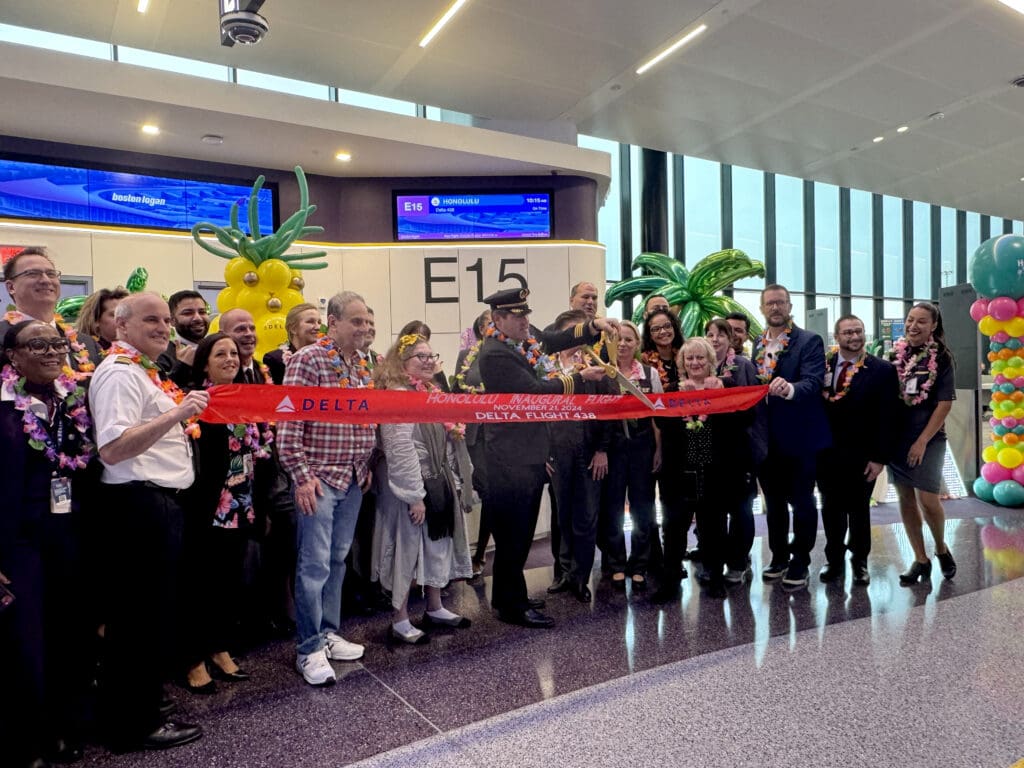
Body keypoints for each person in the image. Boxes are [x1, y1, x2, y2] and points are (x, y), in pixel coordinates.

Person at [89, 292, 208, 751]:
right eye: (151, 319)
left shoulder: (145, 372)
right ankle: (132, 726)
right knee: (138, 621)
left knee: (148, 617)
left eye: (164, 320)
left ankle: (142, 707)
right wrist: (179, 413)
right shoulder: (120, 375)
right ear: (121, 327)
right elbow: (114, 448)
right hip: (139, 506)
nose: (163, 326)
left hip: (156, 505)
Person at [477, 287, 614, 628]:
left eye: (526, 313)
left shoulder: (521, 339)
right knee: (514, 534)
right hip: (510, 458)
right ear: (498, 319)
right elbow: (534, 392)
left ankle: (511, 596)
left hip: (528, 453)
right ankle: (512, 606)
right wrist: (578, 379)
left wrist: (593, 326)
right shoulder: (495, 354)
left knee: (520, 534)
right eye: (518, 315)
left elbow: (554, 339)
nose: (527, 321)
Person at [0, 320, 97, 767]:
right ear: (12, 356)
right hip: (19, 539)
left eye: (57, 343)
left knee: (68, 633)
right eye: (37, 344)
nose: (52, 351)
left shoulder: (73, 400)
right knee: (26, 640)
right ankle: (27, 739)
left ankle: (64, 727)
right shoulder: (4, 406)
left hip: (69, 532)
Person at [277, 290, 375, 686]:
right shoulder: (308, 360)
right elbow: (288, 425)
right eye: (356, 321)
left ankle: (330, 632)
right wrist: (301, 477)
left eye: (367, 322)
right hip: (319, 479)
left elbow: (367, 418)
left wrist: (364, 463)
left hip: (352, 478)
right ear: (332, 324)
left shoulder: (362, 365)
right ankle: (309, 648)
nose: (364, 328)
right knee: (313, 565)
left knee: (337, 561)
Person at [373, 334, 474, 643]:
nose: (429, 361)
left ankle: (434, 606)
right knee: (406, 550)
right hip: (408, 487)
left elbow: (447, 441)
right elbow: (398, 447)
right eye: (421, 356)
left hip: (437, 480)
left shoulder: (432, 392)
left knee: (437, 544)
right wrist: (413, 495)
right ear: (402, 364)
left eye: (431, 355)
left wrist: (453, 481)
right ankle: (400, 618)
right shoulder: (398, 395)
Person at [179, 333, 264, 694]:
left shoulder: (247, 397)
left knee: (230, 581)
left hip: (241, 502)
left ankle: (219, 647)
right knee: (200, 584)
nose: (230, 358)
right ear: (204, 361)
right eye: (220, 353)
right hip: (207, 505)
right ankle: (192, 658)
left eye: (233, 353)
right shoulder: (195, 401)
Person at [653, 338, 755, 600]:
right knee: (674, 528)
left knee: (714, 529)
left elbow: (746, 418)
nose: (695, 363)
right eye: (689, 359)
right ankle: (670, 580)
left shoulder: (727, 385)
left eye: (700, 358)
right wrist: (682, 402)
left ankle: (716, 578)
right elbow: (660, 423)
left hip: (716, 471)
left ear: (710, 361)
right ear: (682, 363)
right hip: (679, 472)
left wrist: (720, 395)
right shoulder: (673, 390)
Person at [754, 285, 831, 589]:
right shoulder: (758, 345)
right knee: (772, 502)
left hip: (800, 437)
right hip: (767, 439)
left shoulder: (808, 341)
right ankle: (779, 556)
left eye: (780, 302)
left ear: (789, 306)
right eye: (770, 303)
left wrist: (791, 389)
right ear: (762, 308)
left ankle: (801, 560)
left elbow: (813, 382)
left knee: (802, 501)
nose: (775, 308)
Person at [818, 315, 898, 586]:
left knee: (858, 509)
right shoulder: (823, 366)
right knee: (830, 509)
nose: (854, 336)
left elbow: (888, 417)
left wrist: (879, 458)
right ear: (836, 337)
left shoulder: (882, 370)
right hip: (826, 453)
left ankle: (860, 560)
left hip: (863, 455)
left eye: (858, 331)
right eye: (848, 332)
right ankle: (834, 560)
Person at [547, 310, 614, 603]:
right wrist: (543, 454)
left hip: (589, 451)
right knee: (562, 516)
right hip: (556, 453)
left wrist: (602, 450)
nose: (581, 338)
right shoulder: (544, 368)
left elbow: (609, 410)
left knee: (585, 517)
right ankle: (562, 572)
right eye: (574, 332)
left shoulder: (597, 365)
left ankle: (580, 576)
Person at [889, 302, 957, 585]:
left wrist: (921, 441)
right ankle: (920, 558)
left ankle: (941, 548)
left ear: (933, 326)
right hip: (897, 439)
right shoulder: (896, 353)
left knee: (927, 499)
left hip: (928, 437)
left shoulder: (941, 357)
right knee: (905, 499)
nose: (913, 326)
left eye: (920, 322)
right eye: (909, 320)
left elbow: (944, 404)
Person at [603, 320, 662, 592]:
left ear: (637, 344)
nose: (624, 344)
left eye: (629, 339)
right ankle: (615, 564)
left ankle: (639, 564)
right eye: (619, 339)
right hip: (613, 448)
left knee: (643, 506)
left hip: (643, 447)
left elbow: (657, 417)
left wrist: (658, 449)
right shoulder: (603, 374)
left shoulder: (649, 374)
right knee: (612, 507)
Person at [706, 317, 761, 582]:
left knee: (740, 508)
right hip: (705, 446)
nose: (714, 339)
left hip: (738, 447)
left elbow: (750, 408)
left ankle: (739, 561)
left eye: (721, 334)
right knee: (709, 508)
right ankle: (713, 561)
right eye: (709, 334)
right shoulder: (698, 363)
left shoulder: (742, 366)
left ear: (731, 340)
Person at [0, 247, 99, 375]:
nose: (46, 280)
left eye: (51, 274)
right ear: (11, 287)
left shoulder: (87, 344)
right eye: (33, 274)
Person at [453, 309, 492, 577]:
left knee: (497, 494)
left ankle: (483, 554)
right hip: (476, 436)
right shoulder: (466, 356)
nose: (493, 329)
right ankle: (473, 554)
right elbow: (457, 392)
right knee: (485, 490)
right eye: (488, 324)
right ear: (480, 329)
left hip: (505, 436)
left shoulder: (513, 353)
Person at [155, 289, 210, 383]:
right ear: (172, 320)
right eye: (188, 313)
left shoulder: (216, 349)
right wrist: (182, 366)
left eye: (202, 312)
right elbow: (162, 391)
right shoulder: (162, 354)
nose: (198, 318)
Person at [263, 302, 320, 385]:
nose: (318, 327)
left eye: (319, 322)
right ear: (293, 329)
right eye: (310, 322)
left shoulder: (324, 357)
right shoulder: (275, 359)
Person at [76, 286, 129, 353]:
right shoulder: (84, 352)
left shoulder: (138, 350)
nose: (124, 320)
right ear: (95, 320)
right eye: (116, 315)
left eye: (127, 315)